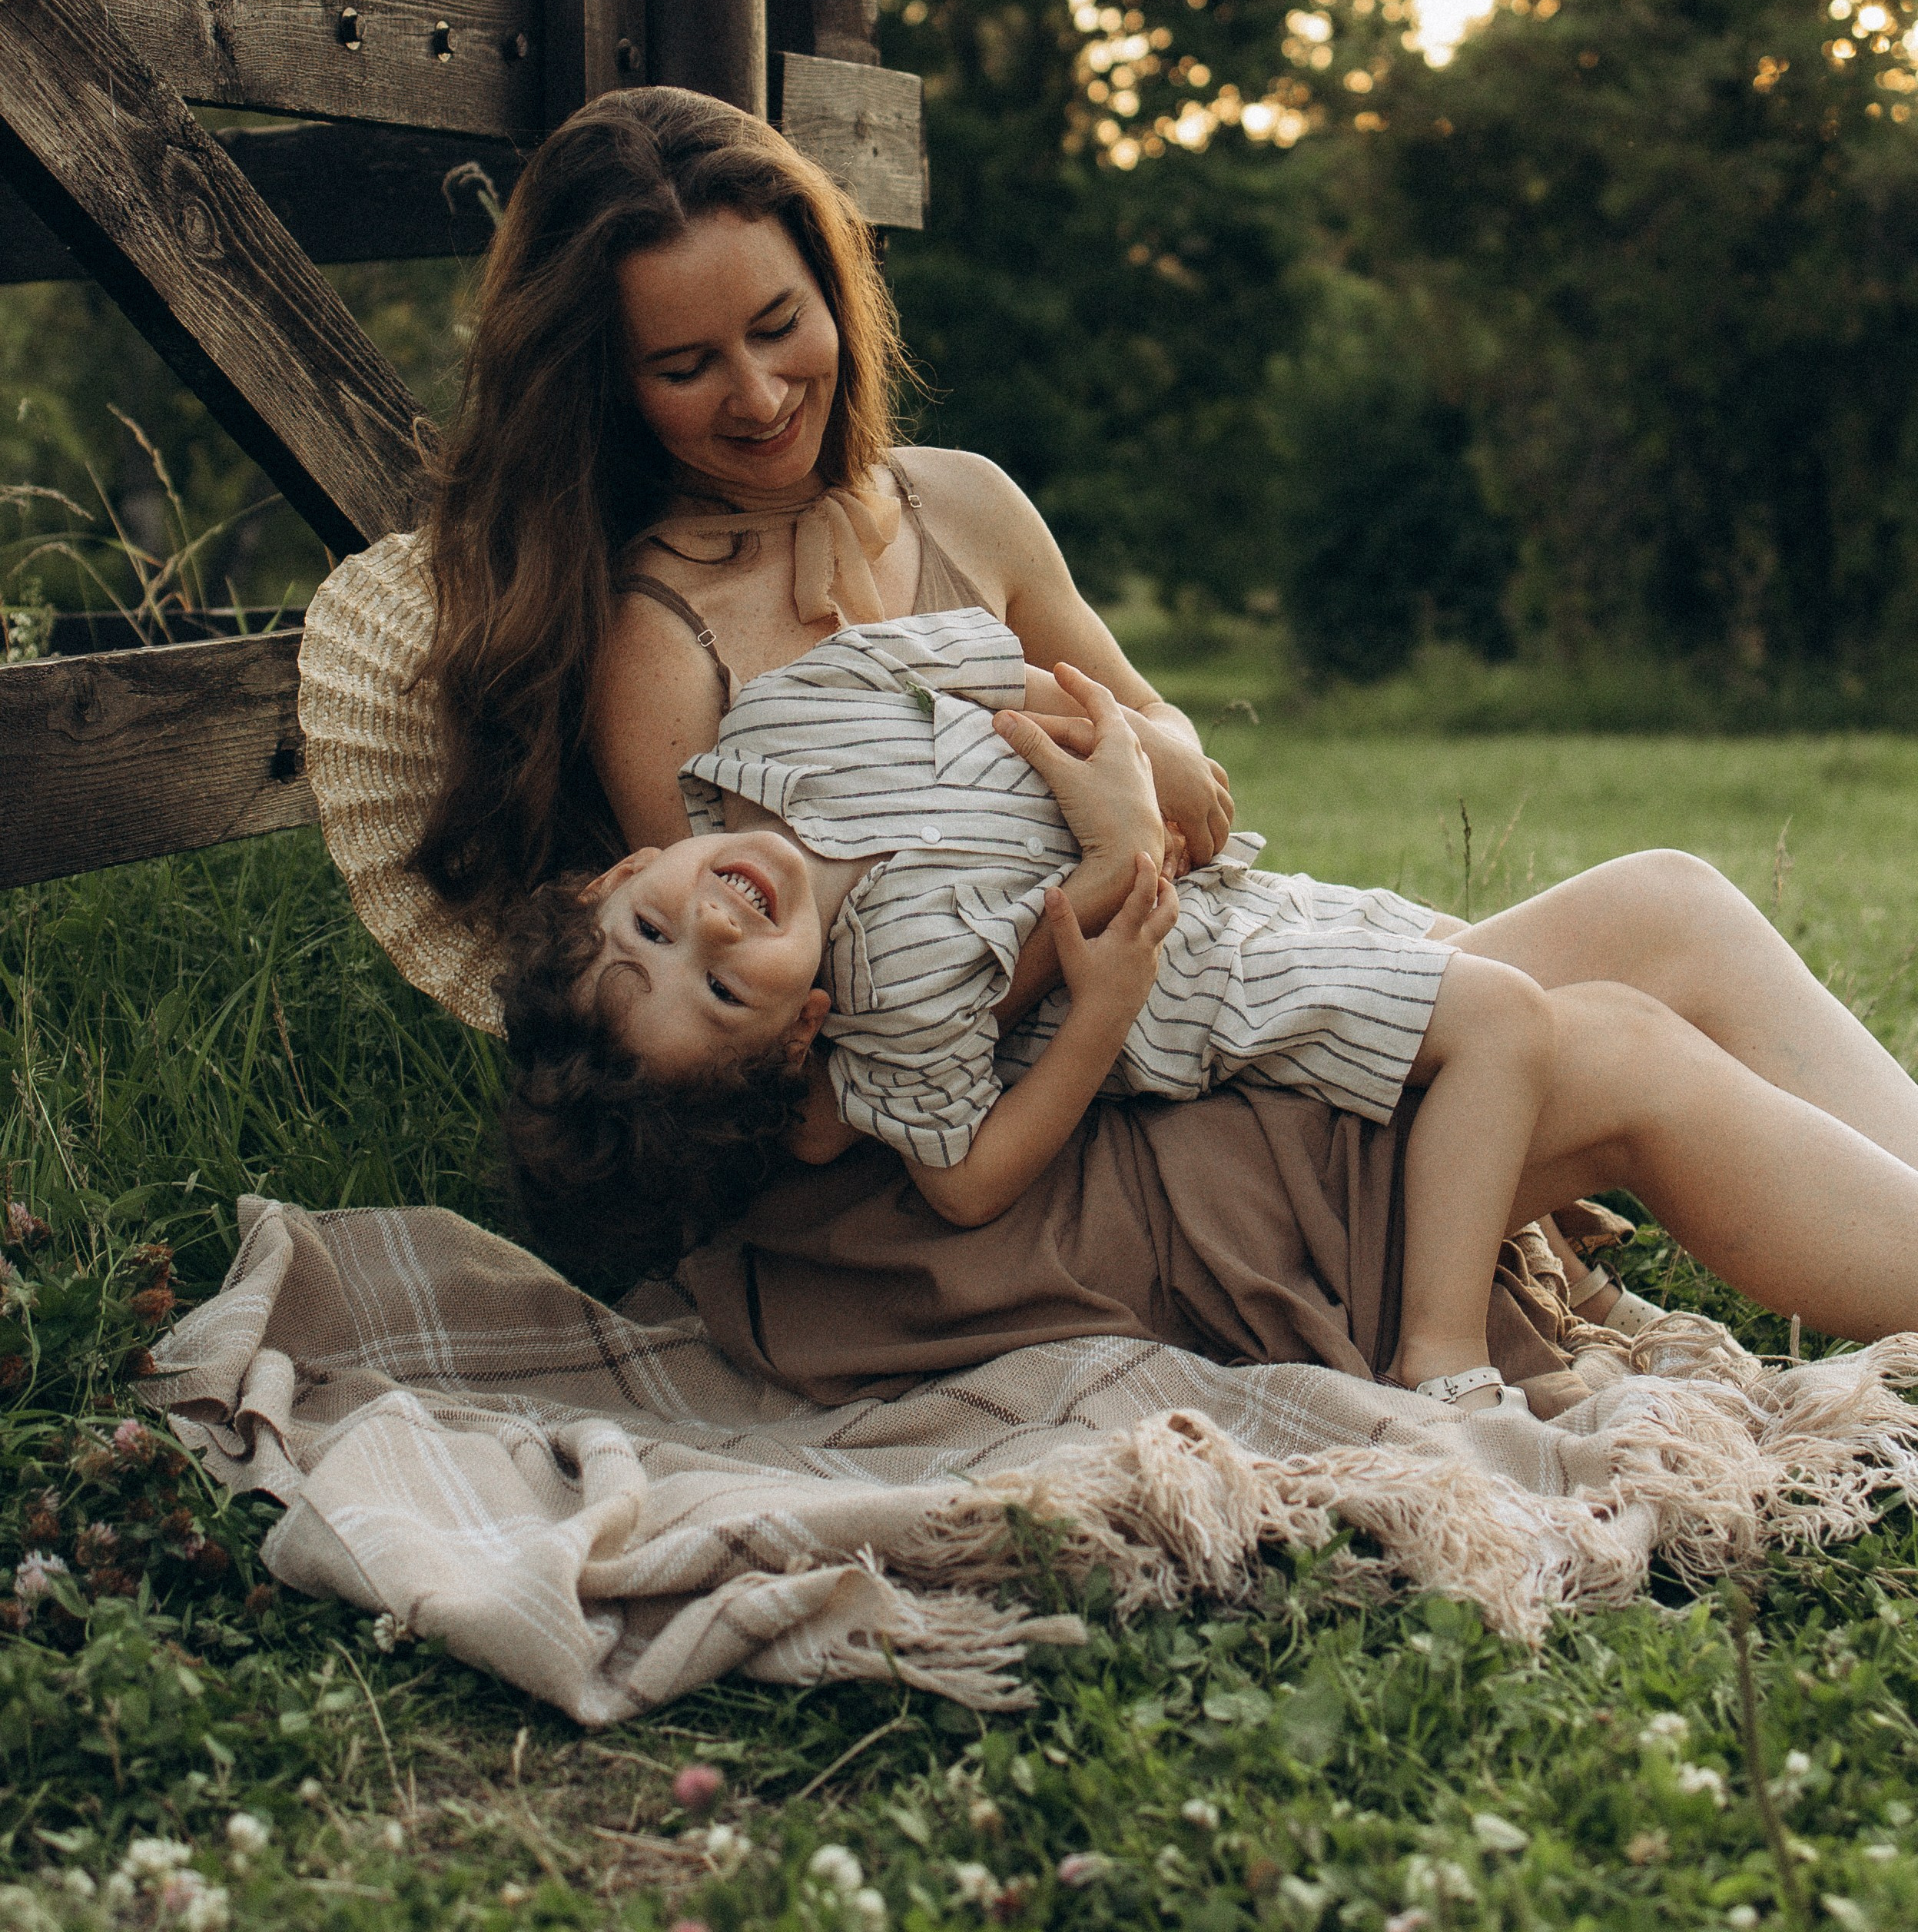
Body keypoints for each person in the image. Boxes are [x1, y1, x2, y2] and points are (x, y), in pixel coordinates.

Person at [298, 83, 1918, 1389]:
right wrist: (1115, 849)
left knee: (1670, 904)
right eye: (684, 363)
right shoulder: (664, 641)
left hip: (1172, 995)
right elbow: (829, 1037)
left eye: (780, 324)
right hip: (1010, 1158)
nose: (759, 393)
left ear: (832, 292)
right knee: (1609, 1046)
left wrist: (1147, 772)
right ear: (609, 384)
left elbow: (1179, 754)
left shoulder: (962, 502)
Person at [500, 610, 1560, 1411]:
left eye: (651, 929)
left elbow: (1007, 668)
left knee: (1631, 948)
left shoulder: (788, 713)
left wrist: (1146, 747)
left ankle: (1570, 1278)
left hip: (1256, 897)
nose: (715, 934)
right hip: (1221, 989)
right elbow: (964, 1184)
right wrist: (1102, 1008)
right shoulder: (896, 1006)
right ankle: (1443, 1362)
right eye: (725, 992)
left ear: (624, 871)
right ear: (800, 1033)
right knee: (1507, 1021)